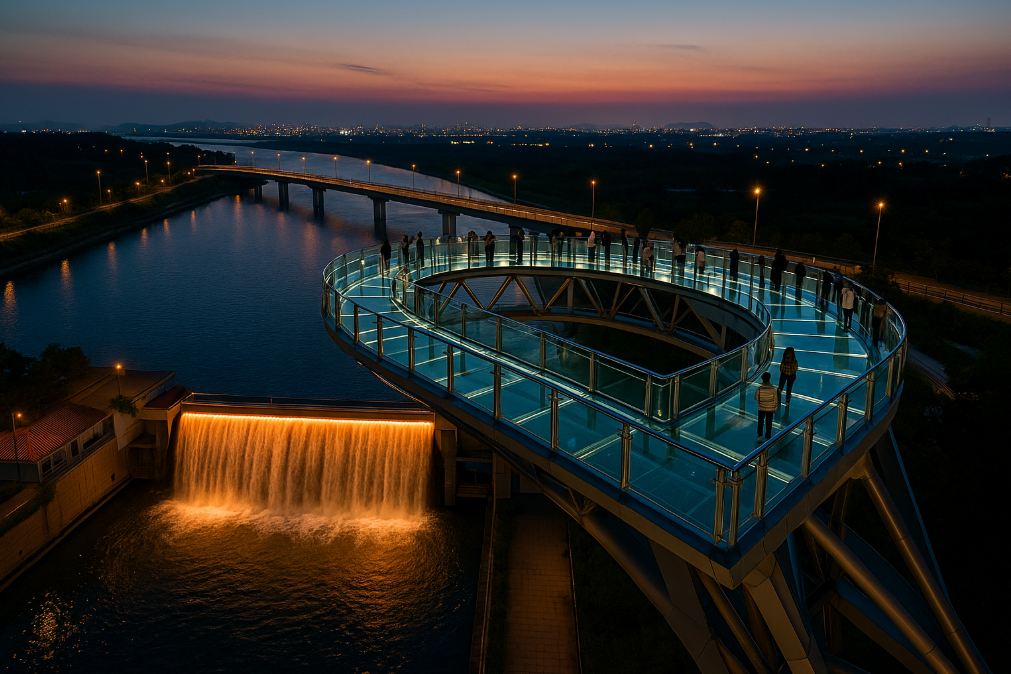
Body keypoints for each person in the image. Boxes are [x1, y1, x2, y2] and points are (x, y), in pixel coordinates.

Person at [754, 371, 779, 440]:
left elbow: (756, 398)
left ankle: (760, 435)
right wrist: (775, 407)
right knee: (769, 422)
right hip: (770, 408)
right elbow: (776, 399)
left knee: (760, 421)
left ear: (762, 379)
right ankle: (768, 435)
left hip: (761, 408)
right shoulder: (773, 389)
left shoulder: (759, 389)